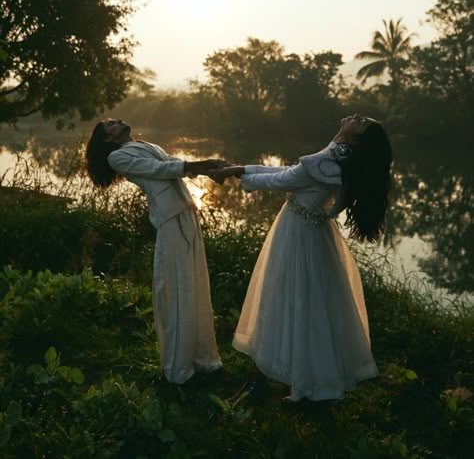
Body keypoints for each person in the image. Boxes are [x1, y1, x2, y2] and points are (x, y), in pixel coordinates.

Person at [213, 114, 392, 402]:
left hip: (298, 233)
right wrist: (237, 169)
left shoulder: (328, 161)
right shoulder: (342, 159)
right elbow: (294, 172)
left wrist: (234, 172)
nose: (357, 116)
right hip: (316, 232)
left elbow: (283, 179)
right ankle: (309, 374)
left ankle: (305, 382)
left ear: (358, 137)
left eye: (362, 122)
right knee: (314, 301)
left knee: (295, 298)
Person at [85, 118, 226, 384]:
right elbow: (161, 170)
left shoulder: (146, 144)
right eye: (111, 124)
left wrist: (213, 169)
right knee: (175, 286)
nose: (118, 120)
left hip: (187, 212)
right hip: (169, 218)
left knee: (193, 283)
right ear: (109, 139)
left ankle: (202, 358)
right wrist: (206, 164)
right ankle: (178, 368)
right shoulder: (118, 158)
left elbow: (173, 162)